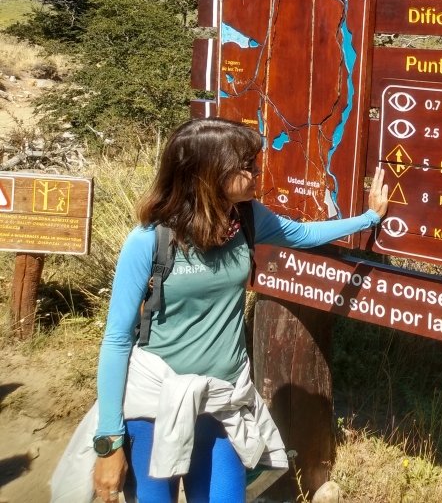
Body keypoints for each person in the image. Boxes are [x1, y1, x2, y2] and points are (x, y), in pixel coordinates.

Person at [53, 117, 388, 503]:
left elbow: (303, 233)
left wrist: (370, 218)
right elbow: (115, 340)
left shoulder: (246, 219)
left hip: (224, 400)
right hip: (154, 404)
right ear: (208, 172)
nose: (256, 172)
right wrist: (109, 442)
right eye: (245, 166)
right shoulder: (150, 239)